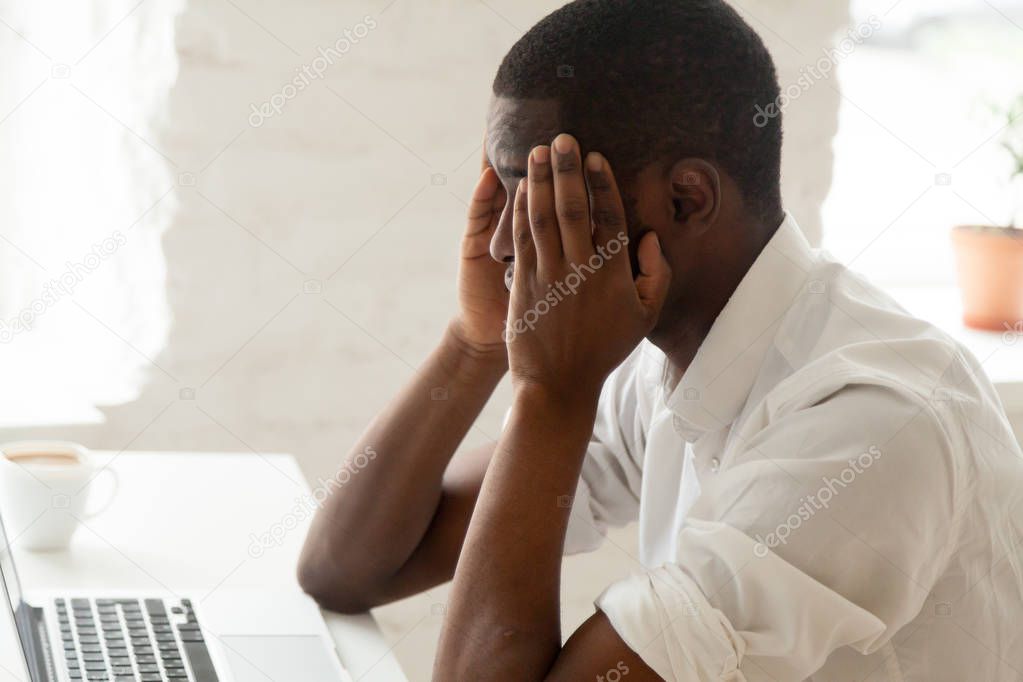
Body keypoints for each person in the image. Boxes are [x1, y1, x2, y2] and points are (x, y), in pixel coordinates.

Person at [298, 1, 1023, 679]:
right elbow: (344, 569)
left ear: (686, 199)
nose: (500, 246)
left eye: (546, 201)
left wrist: (551, 392)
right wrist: (476, 341)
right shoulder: (660, 367)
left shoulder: (868, 422)